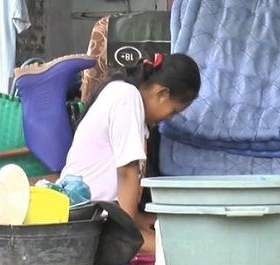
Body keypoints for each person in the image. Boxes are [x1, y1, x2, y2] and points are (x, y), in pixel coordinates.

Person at [61, 53, 201, 254]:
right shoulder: (127, 97)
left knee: (183, 235)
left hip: (105, 216)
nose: (168, 118)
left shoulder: (128, 101)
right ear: (162, 93)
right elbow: (127, 172)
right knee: (183, 252)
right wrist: (127, 235)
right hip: (88, 220)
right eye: (172, 111)